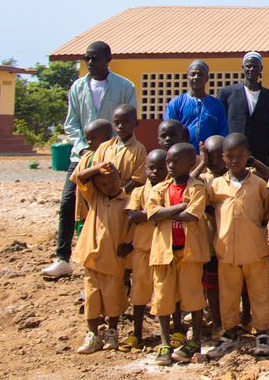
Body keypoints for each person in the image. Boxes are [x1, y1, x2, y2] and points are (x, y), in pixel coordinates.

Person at [47, 42, 139, 280]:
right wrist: (84, 148)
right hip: (83, 156)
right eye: (87, 58)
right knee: (69, 203)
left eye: (95, 58)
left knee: (111, 208)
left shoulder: (125, 87)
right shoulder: (78, 87)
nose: (90, 63)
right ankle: (62, 258)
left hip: (113, 157)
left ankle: (114, 261)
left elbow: (128, 118)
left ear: (109, 59)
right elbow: (71, 123)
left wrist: (107, 149)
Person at [207, 134, 269, 359]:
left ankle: (262, 332)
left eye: (240, 156)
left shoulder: (258, 184)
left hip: (255, 249)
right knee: (229, 294)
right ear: (223, 158)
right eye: (230, 156)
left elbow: (266, 211)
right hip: (227, 252)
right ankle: (230, 331)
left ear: (248, 156)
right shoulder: (216, 186)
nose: (235, 160)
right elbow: (208, 210)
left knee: (260, 292)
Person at [147, 142, 210, 366]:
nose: (170, 165)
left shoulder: (198, 187)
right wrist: (179, 207)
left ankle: (195, 341)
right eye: (168, 161)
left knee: (193, 298)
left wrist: (167, 214)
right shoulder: (159, 189)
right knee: (163, 298)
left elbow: (193, 215)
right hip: (164, 252)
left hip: (189, 252)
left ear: (191, 163)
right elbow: (152, 214)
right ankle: (165, 342)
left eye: (176, 161)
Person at [72, 161, 131, 353]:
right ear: (97, 186)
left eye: (113, 181)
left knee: (113, 298)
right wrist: (97, 168)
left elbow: (133, 228)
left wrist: (129, 246)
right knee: (91, 298)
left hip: (114, 259)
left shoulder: (128, 200)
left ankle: (112, 332)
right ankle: (92, 334)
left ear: (120, 178)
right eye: (104, 184)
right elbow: (80, 177)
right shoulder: (95, 198)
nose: (110, 186)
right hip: (92, 258)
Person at [123, 148, 167, 352]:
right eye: (151, 168)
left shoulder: (170, 190)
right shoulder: (139, 191)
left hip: (164, 252)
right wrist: (158, 213)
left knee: (164, 295)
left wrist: (146, 214)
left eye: (160, 168)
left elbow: (141, 216)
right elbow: (132, 217)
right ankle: (137, 333)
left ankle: (169, 334)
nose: (155, 172)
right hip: (141, 251)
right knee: (139, 294)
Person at [216, 52, 269, 166]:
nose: (251, 69)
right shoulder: (227, 93)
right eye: (248, 66)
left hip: (260, 154)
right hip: (233, 154)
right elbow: (221, 123)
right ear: (243, 68)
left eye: (255, 66)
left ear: (261, 68)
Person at [165, 60, 229, 150]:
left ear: (207, 78)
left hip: (210, 155)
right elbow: (169, 129)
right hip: (182, 155)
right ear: (187, 77)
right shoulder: (176, 103)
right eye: (192, 74)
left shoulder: (217, 105)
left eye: (200, 74)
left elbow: (223, 132)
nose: (196, 77)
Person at [91, 104, 147, 194]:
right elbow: (95, 172)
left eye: (125, 122)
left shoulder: (139, 149)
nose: (120, 126)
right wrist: (105, 192)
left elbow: (138, 179)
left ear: (136, 124)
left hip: (125, 199)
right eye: (117, 122)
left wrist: (119, 193)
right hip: (103, 196)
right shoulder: (104, 147)